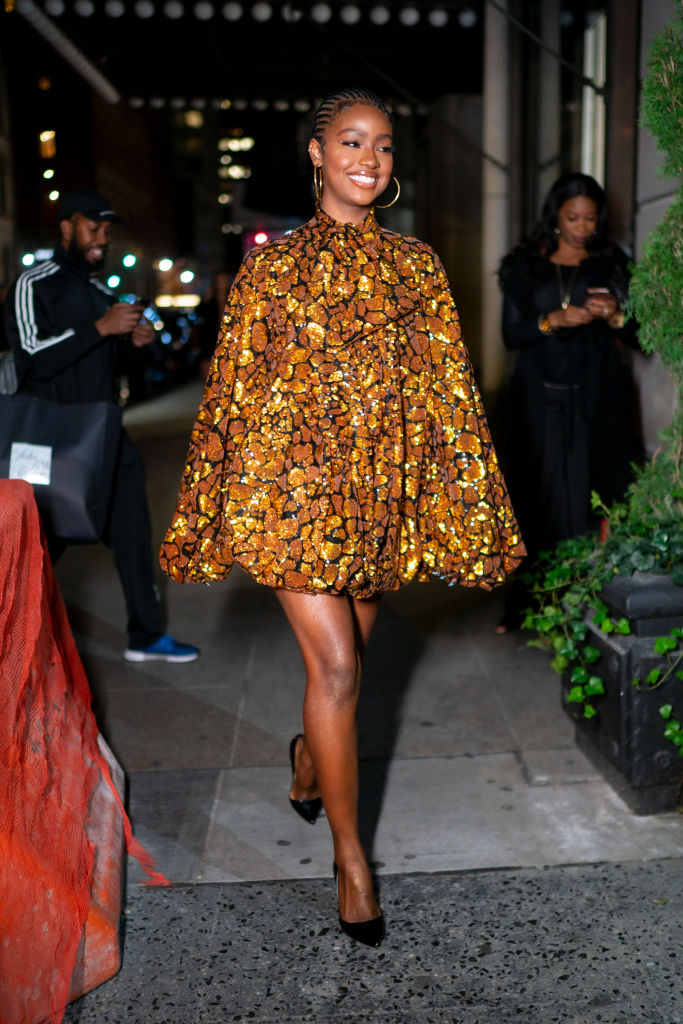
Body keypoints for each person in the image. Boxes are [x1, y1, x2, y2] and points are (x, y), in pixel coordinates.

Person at [160, 89, 524, 946]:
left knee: (348, 666)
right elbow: (234, 391)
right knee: (337, 672)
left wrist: (462, 500)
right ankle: (351, 863)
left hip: (378, 498)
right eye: (351, 141)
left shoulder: (418, 269)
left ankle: (305, 758)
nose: (370, 157)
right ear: (316, 153)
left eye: (385, 145)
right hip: (295, 500)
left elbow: (449, 398)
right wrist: (216, 501)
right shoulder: (271, 267)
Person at [4, 187, 199, 664]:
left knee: (134, 535)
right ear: (67, 227)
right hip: (48, 437)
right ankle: (12, 640)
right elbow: (31, 359)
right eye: (93, 228)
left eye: (106, 232)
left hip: (103, 431)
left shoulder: (100, 292)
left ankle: (146, 635)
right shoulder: (34, 283)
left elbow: (112, 364)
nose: (101, 240)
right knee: (41, 542)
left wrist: (136, 340)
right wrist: (99, 329)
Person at [496, 172, 639, 632]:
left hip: (596, 400)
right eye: (573, 216)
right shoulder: (526, 265)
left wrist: (614, 315)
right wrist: (553, 319)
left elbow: (639, 336)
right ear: (555, 215)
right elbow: (511, 335)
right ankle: (528, 603)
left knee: (588, 499)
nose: (582, 227)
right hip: (538, 401)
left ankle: (584, 603)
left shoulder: (610, 262)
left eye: (591, 219)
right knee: (536, 499)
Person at [193, 268, 235, 382]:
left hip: (230, 344)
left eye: (225, 281)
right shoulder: (209, 300)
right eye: (220, 281)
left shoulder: (235, 300)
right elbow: (198, 316)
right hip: (209, 343)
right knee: (209, 381)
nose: (223, 284)